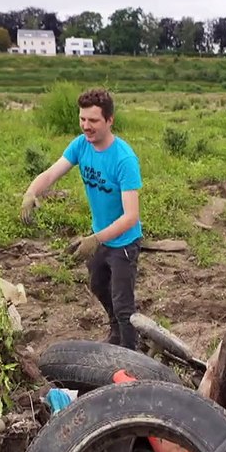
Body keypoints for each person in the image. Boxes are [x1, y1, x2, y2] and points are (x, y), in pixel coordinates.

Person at [20, 87, 144, 350]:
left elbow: (131, 216)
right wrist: (31, 192)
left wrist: (95, 239)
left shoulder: (124, 159)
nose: (86, 126)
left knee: (124, 305)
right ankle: (115, 330)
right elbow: (52, 174)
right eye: (82, 119)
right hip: (99, 237)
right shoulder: (80, 146)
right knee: (98, 285)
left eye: (93, 121)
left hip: (122, 242)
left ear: (109, 120)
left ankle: (133, 354)